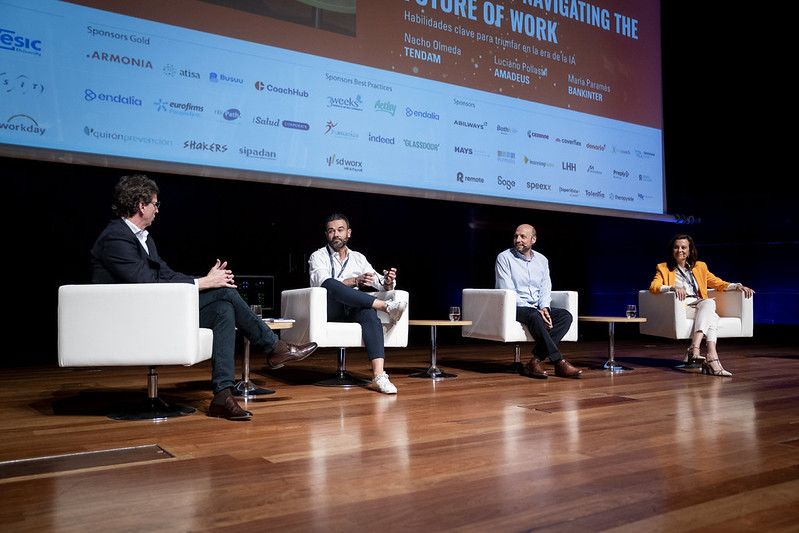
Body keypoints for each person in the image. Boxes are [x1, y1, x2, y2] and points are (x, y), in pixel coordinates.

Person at [90, 174, 318, 420]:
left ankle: (222, 396)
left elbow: (167, 275)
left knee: (223, 309)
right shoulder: (116, 237)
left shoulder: (144, 238)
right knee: (223, 291)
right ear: (141, 205)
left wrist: (204, 279)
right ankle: (274, 347)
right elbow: (145, 282)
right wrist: (204, 284)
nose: (157, 210)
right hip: (131, 317)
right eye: (155, 204)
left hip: (153, 309)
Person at [308, 214, 407, 394]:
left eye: (340, 230)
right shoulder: (318, 256)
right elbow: (322, 283)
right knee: (330, 283)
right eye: (331, 231)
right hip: (329, 309)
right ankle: (385, 306)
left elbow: (377, 282)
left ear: (349, 233)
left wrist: (387, 281)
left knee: (369, 312)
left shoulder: (358, 258)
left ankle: (379, 376)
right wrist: (354, 281)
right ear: (326, 234)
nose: (336, 234)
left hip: (352, 308)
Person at [649, 234, 754, 376]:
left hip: (699, 304)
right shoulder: (663, 268)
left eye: (683, 247)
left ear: (690, 250)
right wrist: (672, 288)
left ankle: (697, 349)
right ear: (672, 250)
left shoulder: (700, 267)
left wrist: (736, 286)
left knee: (708, 305)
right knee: (711, 313)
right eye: (676, 247)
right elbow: (654, 287)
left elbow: (717, 283)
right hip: (682, 306)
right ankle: (711, 358)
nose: (680, 250)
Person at [495, 224, 582, 379]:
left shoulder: (542, 260)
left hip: (536, 307)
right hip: (515, 306)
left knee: (565, 316)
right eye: (516, 236)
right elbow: (507, 291)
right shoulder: (504, 258)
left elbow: (545, 289)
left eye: (523, 236)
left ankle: (535, 361)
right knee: (534, 316)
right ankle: (558, 362)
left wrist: (545, 308)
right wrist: (537, 311)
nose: (518, 240)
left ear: (533, 239)